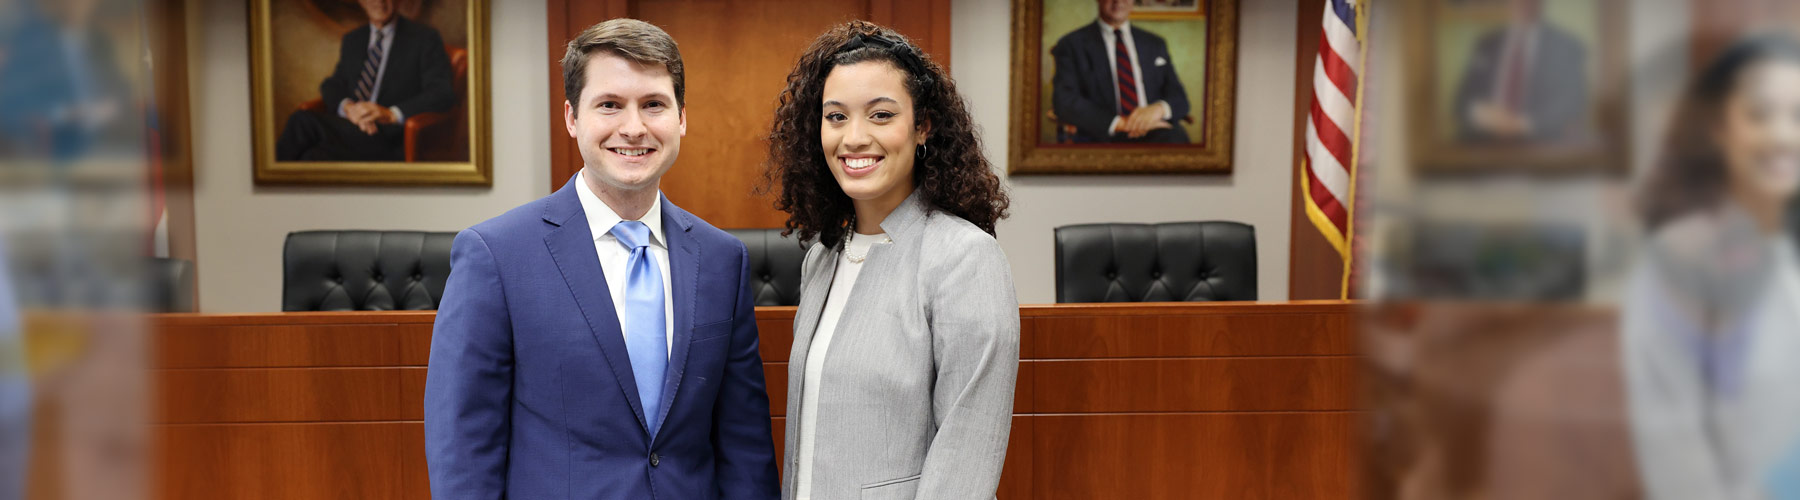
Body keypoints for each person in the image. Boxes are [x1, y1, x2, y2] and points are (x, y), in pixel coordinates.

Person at [424, 19, 779, 500]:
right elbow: (463, 449)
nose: (633, 128)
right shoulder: (495, 255)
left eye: (654, 105)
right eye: (609, 105)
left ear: (681, 118)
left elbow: (745, 446)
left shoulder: (722, 259)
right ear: (572, 117)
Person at [764, 21, 1019, 500]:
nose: (854, 137)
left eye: (880, 115)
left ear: (922, 126)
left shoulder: (966, 258)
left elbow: (967, 454)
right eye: (835, 117)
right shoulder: (822, 256)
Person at [1623, 32, 1800, 500]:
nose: (1783, 134)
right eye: (1759, 114)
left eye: (1799, 116)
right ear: (1720, 127)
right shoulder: (1680, 259)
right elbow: (1672, 447)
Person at [274, 0, 454, 161]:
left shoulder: (424, 38)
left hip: (390, 138)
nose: (379, 2)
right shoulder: (353, 40)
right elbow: (333, 84)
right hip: (352, 129)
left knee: (303, 121)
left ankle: (268, 179)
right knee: (311, 157)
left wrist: (390, 114)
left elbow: (441, 93)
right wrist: (348, 108)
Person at [1050, 0, 1190, 143]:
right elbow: (1064, 100)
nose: (1118, 1)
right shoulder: (1071, 44)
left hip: (1154, 130)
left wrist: (1159, 109)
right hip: (1101, 133)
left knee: (1177, 140)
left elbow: (1178, 97)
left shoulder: (1154, 43)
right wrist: (1121, 123)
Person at [1452, 0, 1589, 145]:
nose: (1523, 3)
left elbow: (1572, 104)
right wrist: (1485, 116)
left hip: (1540, 147)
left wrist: (1522, 125)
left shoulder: (1567, 46)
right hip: (1482, 145)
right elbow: (1461, 103)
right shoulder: (1486, 44)